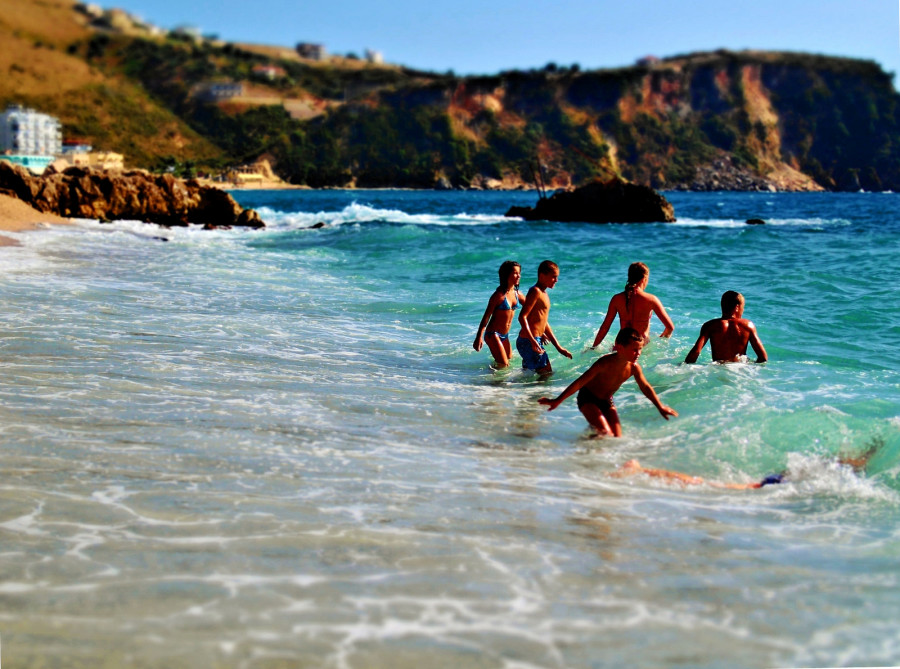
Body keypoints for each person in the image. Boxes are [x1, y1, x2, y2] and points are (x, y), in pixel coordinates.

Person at [538, 327, 677, 436]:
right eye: (634, 350)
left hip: (606, 401)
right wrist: (558, 400)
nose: (638, 353)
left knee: (616, 437)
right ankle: (583, 453)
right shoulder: (604, 363)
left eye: (640, 349)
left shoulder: (634, 368)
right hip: (588, 399)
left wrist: (660, 407)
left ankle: (591, 442)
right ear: (620, 348)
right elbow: (580, 382)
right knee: (605, 433)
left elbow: (645, 387)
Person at [611, 440, 882, 489]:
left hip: (771, 484)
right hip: (772, 484)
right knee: (698, 483)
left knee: (697, 482)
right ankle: (638, 469)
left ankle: (638, 468)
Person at [592, 262, 674, 349]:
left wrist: (593, 348)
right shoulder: (651, 300)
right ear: (644, 279)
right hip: (639, 347)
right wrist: (659, 345)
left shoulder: (616, 299)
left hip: (621, 345)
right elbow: (670, 327)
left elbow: (605, 327)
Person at [516, 260, 573, 375]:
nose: (556, 280)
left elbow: (543, 321)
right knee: (546, 373)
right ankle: (540, 393)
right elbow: (522, 317)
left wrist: (558, 347)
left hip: (531, 340)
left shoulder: (544, 294)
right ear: (542, 276)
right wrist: (533, 341)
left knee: (529, 374)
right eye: (553, 277)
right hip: (529, 341)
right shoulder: (535, 291)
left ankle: (511, 389)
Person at [684, 290, 767, 363]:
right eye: (743, 307)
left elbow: (696, 351)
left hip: (718, 367)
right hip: (740, 369)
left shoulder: (710, 325)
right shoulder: (748, 325)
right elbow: (763, 358)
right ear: (737, 307)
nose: (743, 310)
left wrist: (684, 367)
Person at [473, 260, 527, 368]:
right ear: (507, 274)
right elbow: (486, 318)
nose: (519, 276)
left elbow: (531, 312)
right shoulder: (498, 296)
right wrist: (479, 337)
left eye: (519, 273)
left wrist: (540, 331)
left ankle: (493, 379)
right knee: (503, 364)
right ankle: (493, 383)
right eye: (515, 273)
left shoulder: (518, 294)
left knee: (508, 361)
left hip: (504, 335)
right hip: (493, 334)